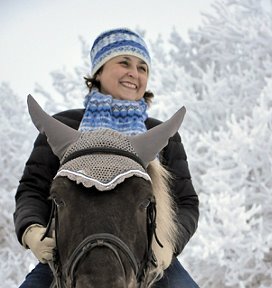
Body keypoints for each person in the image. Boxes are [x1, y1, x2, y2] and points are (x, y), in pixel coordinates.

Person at [14, 28, 199, 288]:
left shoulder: (163, 135)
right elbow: (32, 189)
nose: (134, 73)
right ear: (98, 71)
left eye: (143, 68)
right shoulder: (64, 125)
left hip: (149, 255)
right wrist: (31, 230)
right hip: (71, 249)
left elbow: (187, 202)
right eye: (124, 63)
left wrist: (169, 246)